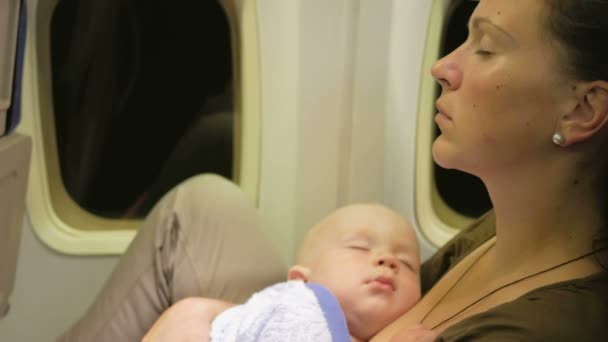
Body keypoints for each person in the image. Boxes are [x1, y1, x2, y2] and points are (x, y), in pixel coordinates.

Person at [60, 0, 608, 340]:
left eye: (486, 48)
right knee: (205, 201)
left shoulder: (546, 327)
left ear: (582, 109)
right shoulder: (500, 231)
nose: (444, 67)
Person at [207, 203, 421, 342]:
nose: (389, 260)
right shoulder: (295, 313)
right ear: (301, 280)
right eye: (359, 247)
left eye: (406, 263)